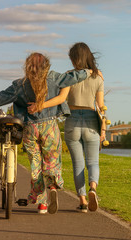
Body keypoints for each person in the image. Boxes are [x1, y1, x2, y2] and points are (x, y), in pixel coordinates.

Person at [0, 52, 91, 214]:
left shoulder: (20, 84)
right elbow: (74, 77)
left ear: (27, 66)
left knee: (36, 164)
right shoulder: (54, 77)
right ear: (46, 65)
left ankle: (41, 204)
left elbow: (3, 96)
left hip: (29, 128)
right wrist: (89, 71)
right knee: (52, 160)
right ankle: (53, 187)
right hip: (50, 127)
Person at [28, 43, 104, 213]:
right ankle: (93, 188)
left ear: (74, 58)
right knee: (93, 161)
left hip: (72, 121)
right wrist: (104, 130)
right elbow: (101, 106)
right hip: (92, 120)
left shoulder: (69, 76)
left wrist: (40, 105)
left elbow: (61, 99)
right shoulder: (98, 77)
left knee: (78, 163)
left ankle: (83, 200)